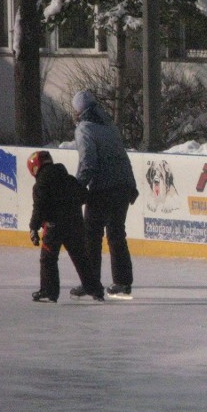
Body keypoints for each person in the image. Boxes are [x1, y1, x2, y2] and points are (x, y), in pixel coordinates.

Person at [70, 90, 139, 299]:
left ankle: (91, 283)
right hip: (124, 185)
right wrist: (131, 186)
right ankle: (123, 283)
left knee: (91, 234)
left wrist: (77, 188)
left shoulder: (84, 129)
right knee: (116, 233)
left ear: (79, 111)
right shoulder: (109, 125)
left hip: (103, 187)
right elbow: (122, 157)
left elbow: (88, 162)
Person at [27, 150, 104, 302]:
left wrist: (33, 227)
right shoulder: (69, 179)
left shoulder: (40, 184)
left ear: (35, 168)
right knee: (81, 258)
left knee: (48, 259)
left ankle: (49, 292)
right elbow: (84, 196)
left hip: (53, 227)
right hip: (75, 225)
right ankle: (96, 290)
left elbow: (39, 207)